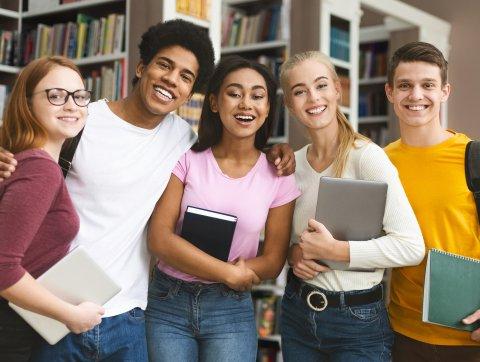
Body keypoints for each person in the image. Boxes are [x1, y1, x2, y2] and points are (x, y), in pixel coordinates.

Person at [0, 19, 295, 361]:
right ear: (142, 67)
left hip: (131, 317)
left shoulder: (184, 141)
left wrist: (277, 151)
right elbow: (24, 142)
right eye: (164, 65)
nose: (172, 79)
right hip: (59, 310)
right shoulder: (81, 119)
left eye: (186, 76)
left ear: (191, 93)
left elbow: (230, 155)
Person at [145, 55, 300, 361]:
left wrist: (236, 276)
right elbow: (159, 239)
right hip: (168, 303)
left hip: (229, 309)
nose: (246, 104)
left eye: (257, 96)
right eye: (234, 93)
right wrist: (226, 273)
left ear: (268, 108)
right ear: (214, 103)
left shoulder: (279, 174)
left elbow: (273, 260)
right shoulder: (186, 159)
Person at [278, 50, 425, 361]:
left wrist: (337, 251)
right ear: (290, 105)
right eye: (300, 91)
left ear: (337, 90)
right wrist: (294, 254)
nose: (313, 98)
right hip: (297, 314)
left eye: (320, 86)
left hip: (357, 324)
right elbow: (290, 243)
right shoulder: (293, 165)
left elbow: (411, 246)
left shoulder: (367, 157)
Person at [0, 56, 104, 362]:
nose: (71, 105)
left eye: (80, 96)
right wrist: (70, 314)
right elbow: (3, 267)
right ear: (27, 103)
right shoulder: (39, 168)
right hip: (10, 328)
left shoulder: (23, 160)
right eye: (56, 95)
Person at [384, 41, 480, 361]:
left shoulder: (474, 157)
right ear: (390, 92)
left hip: (470, 338)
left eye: (428, 85)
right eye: (405, 86)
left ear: (445, 92)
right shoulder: (378, 162)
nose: (416, 95)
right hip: (402, 335)